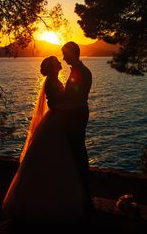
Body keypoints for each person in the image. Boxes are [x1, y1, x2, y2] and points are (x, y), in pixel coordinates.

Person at [2, 56, 85, 226]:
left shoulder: (53, 80)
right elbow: (55, 104)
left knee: (51, 158)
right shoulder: (52, 82)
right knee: (54, 157)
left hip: (56, 120)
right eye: (58, 63)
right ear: (54, 67)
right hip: (56, 120)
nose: (61, 63)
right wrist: (73, 106)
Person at [61, 41, 93, 216]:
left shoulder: (80, 72)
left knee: (77, 150)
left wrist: (57, 106)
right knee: (76, 150)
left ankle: (83, 192)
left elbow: (74, 98)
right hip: (77, 113)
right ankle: (80, 190)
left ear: (73, 54)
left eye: (65, 54)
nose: (63, 57)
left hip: (76, 115)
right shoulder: (79, 71)